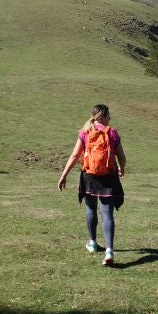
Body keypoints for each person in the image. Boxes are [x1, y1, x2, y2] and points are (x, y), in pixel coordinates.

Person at [57, 104, 126, 266]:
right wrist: (121, 169)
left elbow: (75, 155)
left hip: (88, 176)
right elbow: (122, 157)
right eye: (109, 116)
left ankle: (92, 242)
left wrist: (63, 175)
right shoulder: (112, 133)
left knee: (90, 209)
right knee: (107, 214)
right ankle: (109, 250)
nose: (110, 119)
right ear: (104, 116)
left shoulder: (85, 132)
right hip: (108, 177)